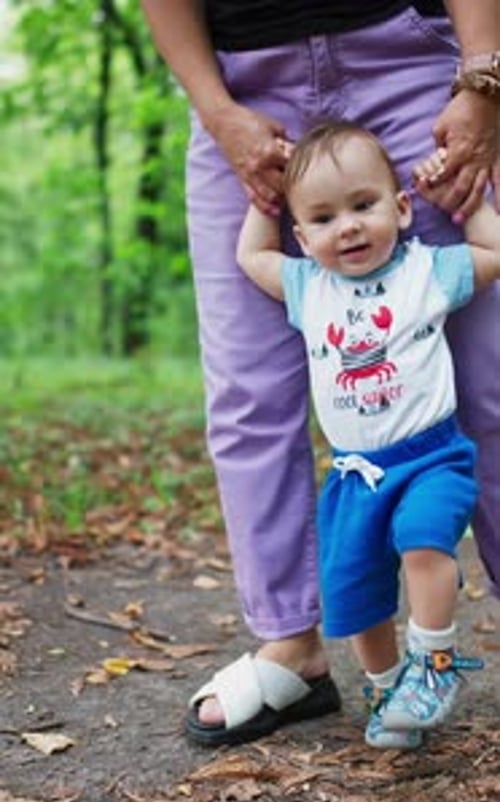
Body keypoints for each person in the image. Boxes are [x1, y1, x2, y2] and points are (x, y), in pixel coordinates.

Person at [140, 0, 500, 747]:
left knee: (491, 374)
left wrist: (484, 74)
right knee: (247, 391)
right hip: (244, 89)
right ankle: (292, 647)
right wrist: (214, 109)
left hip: (410, 56)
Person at [237, 121, 494, 748]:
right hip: (356, 472)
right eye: (323, 219)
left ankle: (432, 664)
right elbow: (251, 258)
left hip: (432, 457)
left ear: (400, 208)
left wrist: (473, 204)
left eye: (363, 205)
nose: (347, 226)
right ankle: (389, 692)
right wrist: (259, 204)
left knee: (424, 539)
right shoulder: (308, 287)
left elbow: (493, 253)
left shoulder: (425, 272)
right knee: (352, 590)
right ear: (302, 237)